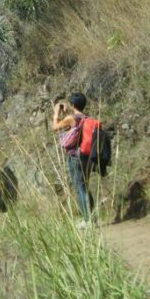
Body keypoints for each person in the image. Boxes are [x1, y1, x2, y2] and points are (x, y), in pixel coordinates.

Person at [52, 92, 93, 225]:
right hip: (86, 155)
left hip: (75, 157)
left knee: (79, 188)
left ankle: (87, 220)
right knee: (85, 186)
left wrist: (56, 113)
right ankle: (91, 216)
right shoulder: (86, 117)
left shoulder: (71, 118)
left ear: (73, 104)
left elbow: (55, 127)